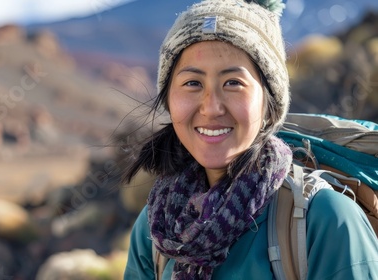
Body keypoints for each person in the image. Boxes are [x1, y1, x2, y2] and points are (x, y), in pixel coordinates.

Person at [123, 0, 378, 279]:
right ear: (170, 100)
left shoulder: (325, 220)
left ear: (270, 104)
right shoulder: (157, 227)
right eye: (192, 83)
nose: (211, 107)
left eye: (233, 82)